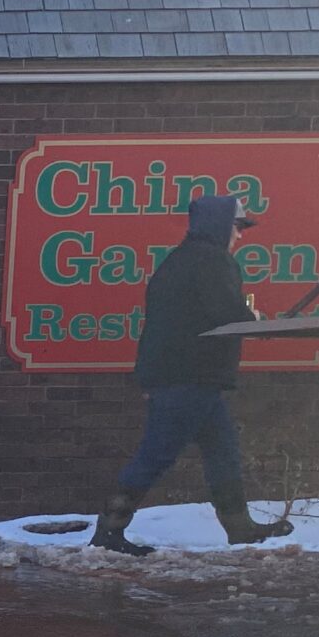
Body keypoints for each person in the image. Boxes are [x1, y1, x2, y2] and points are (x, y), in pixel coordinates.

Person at [90, 191, 295, 556]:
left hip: (184, 376)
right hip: (188, 378)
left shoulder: (179, 261)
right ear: (219, 225)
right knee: (156, 455)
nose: (241, 235)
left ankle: (240, 528)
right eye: (238, 226)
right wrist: (256, 321)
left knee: (223, 451)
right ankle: (107, 533)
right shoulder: (213, 262)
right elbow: (226, 312)